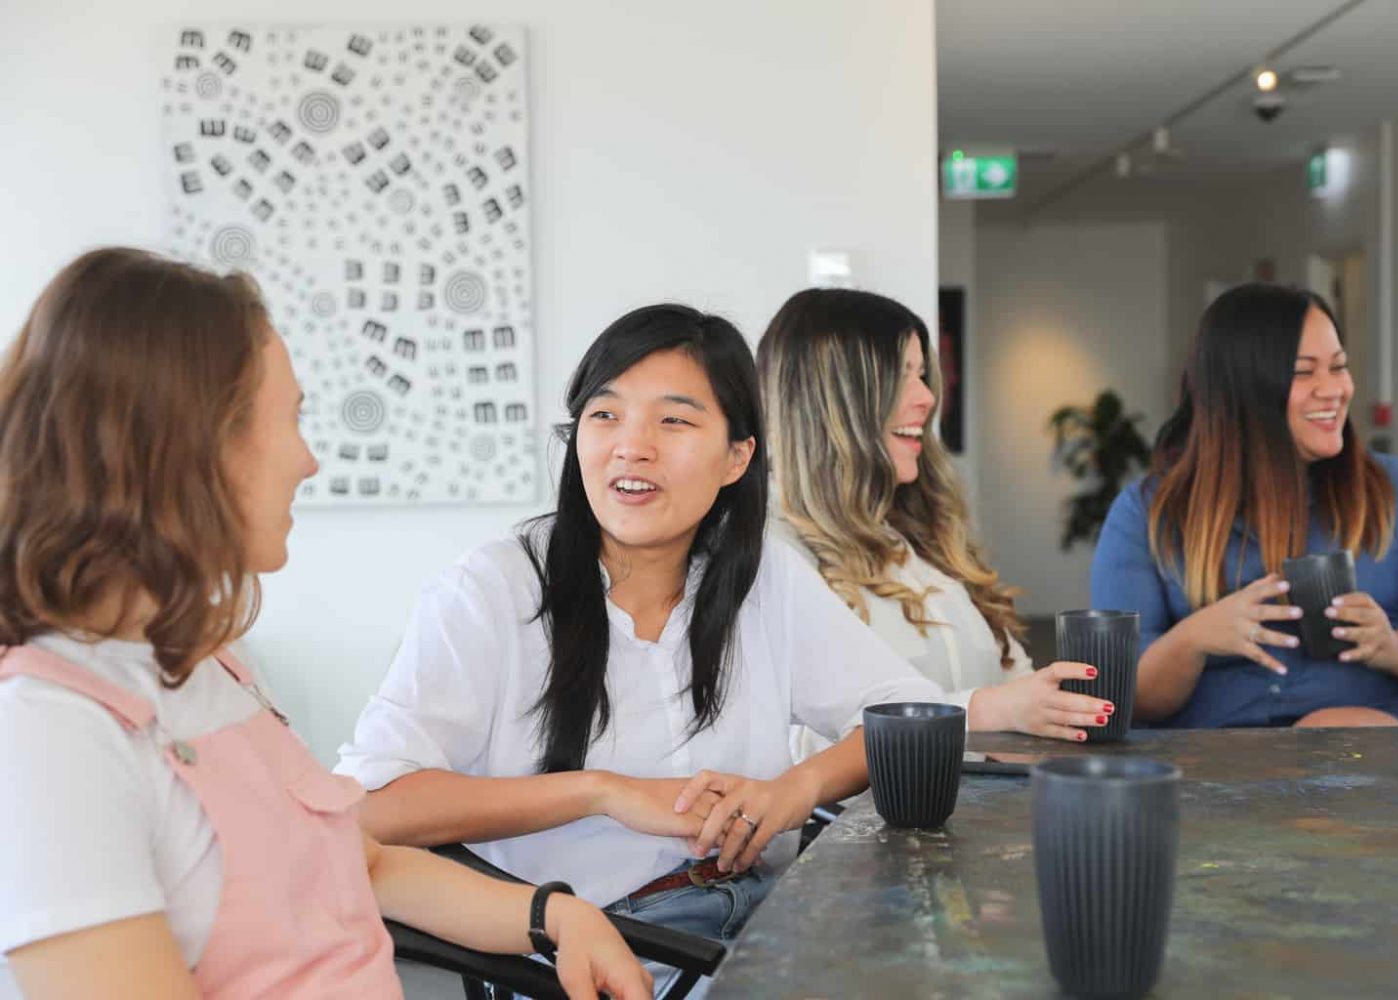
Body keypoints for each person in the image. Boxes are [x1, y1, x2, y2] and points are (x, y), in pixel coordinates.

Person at [0, 248, 651, 1000]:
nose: (309, 462)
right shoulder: (49, 733)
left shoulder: (209, 664)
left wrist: (556, 917)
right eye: (291, 420)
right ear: (186, 447)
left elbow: (361, 862)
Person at [336, 304, 944, 954]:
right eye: (605, 415)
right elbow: (374, 804)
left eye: (674, 420)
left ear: (737, 457)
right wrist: (604, 794)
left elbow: (909, 716)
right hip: (602, 946)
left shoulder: (764, 576)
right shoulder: (489, 590)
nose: (633, 445)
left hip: (769, 919)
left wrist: (795, 790)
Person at [1091, 282, 1398, 728]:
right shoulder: (1148, 513)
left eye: (1339, 367)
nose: (1335, 390)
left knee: (1335, 734)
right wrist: (1191, 641)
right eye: (1305, 373)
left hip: (1377, 765)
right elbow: (1119, 698)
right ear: (1242, 392)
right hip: (1219, 770)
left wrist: (1394, 649)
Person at [758, 288, 1115, 749]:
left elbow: (1010, 678)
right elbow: (797, 746)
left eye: (922, 375)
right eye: (902, 375)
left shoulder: (916, 534)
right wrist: (985, 710)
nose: (927, 398)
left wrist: (1049, 703)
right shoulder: (769, 551)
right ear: (835, 400)